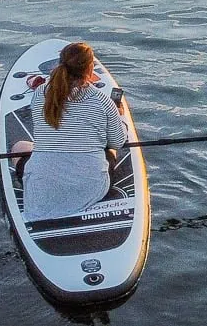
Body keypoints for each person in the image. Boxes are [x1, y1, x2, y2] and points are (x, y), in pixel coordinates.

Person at [15, 42, 129, 220]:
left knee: (19, 146)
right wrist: (119, 116)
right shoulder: (102, 101)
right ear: (90, 68)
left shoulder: (40, 95)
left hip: (40, 195)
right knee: (109, 147)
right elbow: (118, 142)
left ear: (60, 65)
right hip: (92, 189)